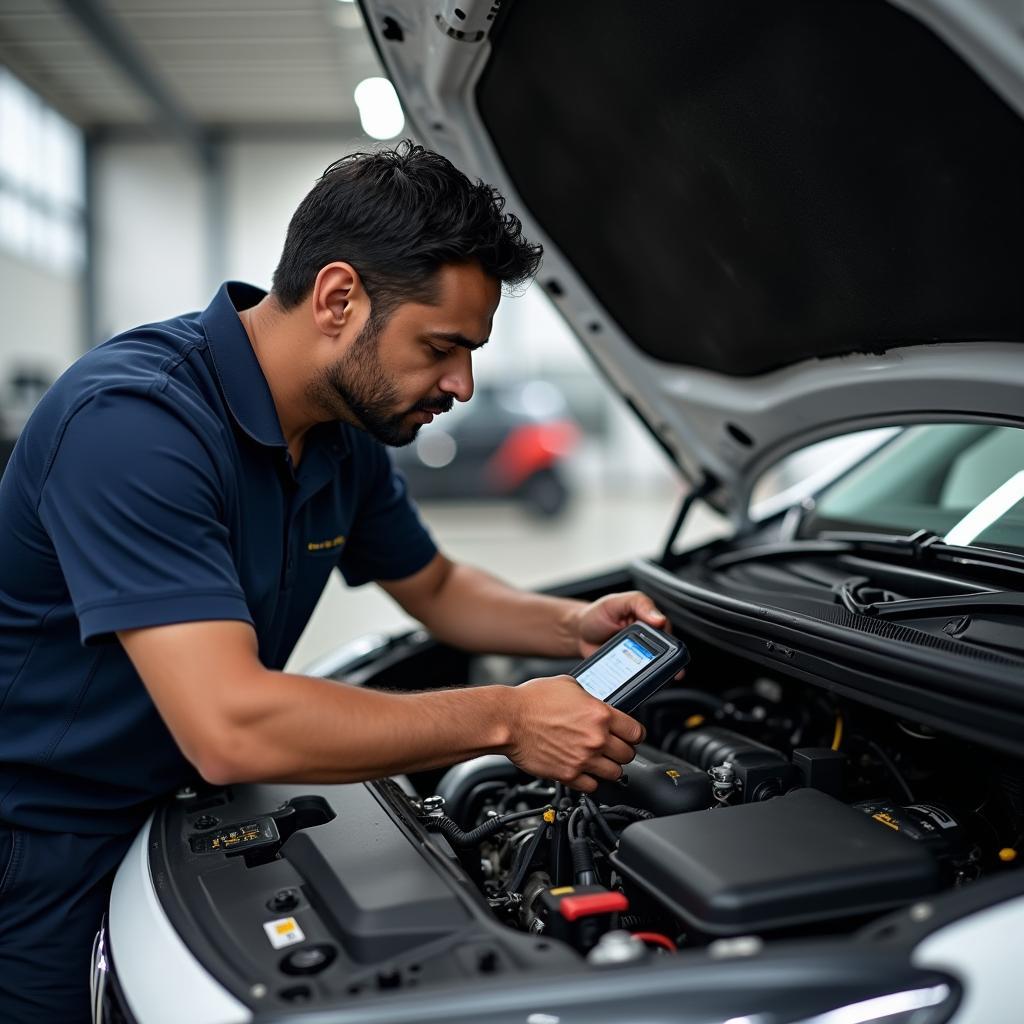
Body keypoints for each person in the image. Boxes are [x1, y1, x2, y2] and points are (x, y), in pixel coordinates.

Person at [0, 141, 670, 1021]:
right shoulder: (134, 425)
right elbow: (231, 727)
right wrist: (507, 718)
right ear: (339, 297)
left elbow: (435, 588)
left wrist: (572, 627)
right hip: (44, 850)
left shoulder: (341, 431)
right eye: (442, 347)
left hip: (181, 813)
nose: (462, 385)